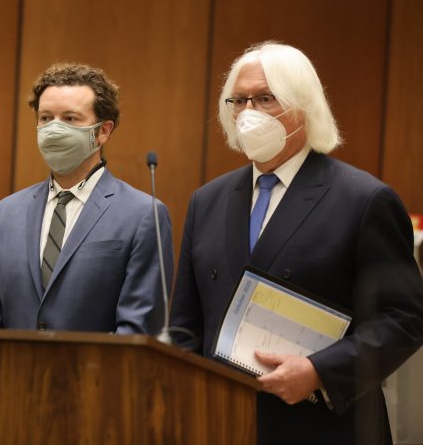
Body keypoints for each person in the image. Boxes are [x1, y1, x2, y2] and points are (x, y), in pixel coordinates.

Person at [170, 41, 423, 444]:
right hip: (222, 422)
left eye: (265, 99)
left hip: (324, 426)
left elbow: (404, 320)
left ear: (302, 106)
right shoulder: (207, 201)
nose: (248, 113)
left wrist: (319, 371)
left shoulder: (363, 199)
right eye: (239, 100)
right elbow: (185, 324)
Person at [0, 62, 172, 334]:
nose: (53, 129)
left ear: (103, 131)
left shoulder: (143, 215)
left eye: (70, 119)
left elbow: (136, 331)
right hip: (11, 375)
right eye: (45, 118)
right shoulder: (3, 215)